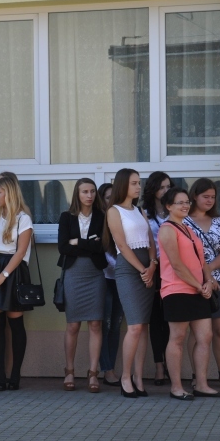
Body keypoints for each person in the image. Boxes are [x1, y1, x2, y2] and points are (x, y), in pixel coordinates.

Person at [158, 187, 220, 400]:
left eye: (187, 201)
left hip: (197, 289)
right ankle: (176, 387)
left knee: (205, 337)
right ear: (169, 206)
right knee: (177, 338)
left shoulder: (188, 228)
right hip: (177, 290)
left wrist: (209, 281)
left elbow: (201, 260)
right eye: (180, 202)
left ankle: (201, 385)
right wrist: (199, 285)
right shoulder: (167, 229)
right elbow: (176, 265)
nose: (186, 205)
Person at [103, 168, 156, 398]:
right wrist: (143, 269)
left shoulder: (139, 210)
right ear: (123, 184)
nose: (138, 187)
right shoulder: (114, 211)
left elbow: (151, 240)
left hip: (147, 268)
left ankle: (138, 377)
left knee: (143, 325)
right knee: (134, 325)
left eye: (139, 183)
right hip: (129, 269)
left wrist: (152, 264)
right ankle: (125, 377)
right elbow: (122, 245)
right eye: (134, 183)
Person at [0, 174, 33, 391]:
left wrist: (3, 276)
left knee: (16, 325)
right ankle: (0, 376)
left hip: (13, 272)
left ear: (9, 193)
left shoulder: (23, 218)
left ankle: (15, 375)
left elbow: (20, 252)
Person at [185, 178, 220, 391]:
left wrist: (211, 271)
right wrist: (204, 275)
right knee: (197, 331)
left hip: (219, 280)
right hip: (193, 281)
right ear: (194, 196)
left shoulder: (218, 221)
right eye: (205, 196)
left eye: (213, 197)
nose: (210, 200)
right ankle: (197, 376)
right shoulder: (183, 221)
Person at [57, 178, 107, 393]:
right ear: (77, 194)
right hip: (73, 274)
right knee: (73, 325)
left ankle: (93, 373)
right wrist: (89, 245)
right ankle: (69, 370)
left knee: (95, 324)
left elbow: (103, 247)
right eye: (85, 191)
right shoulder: (66, 217)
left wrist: (77, 242)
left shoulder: (102, 216)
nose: (89, 195)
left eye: (92, 191)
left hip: (95, 275)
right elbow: (63, 247)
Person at [142, 171, 173, 385]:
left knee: (171, 318)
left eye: (168, 186)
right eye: (161, 187)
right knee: (155, 319)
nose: (165, 191)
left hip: (173, 270)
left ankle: (171, 363)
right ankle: (159, 366)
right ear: (153, 189)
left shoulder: (176, 211)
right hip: (154, 268)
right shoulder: (144, 213)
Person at [97, 183, 124, 387]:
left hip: (122, 280)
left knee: (116, 326)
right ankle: (107, 370)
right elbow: (102, 254)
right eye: (107, 198)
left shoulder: (124, 218)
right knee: (104, 325)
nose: (111, 201)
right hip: (104, 279)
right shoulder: (99, 221)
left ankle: (111, 367)